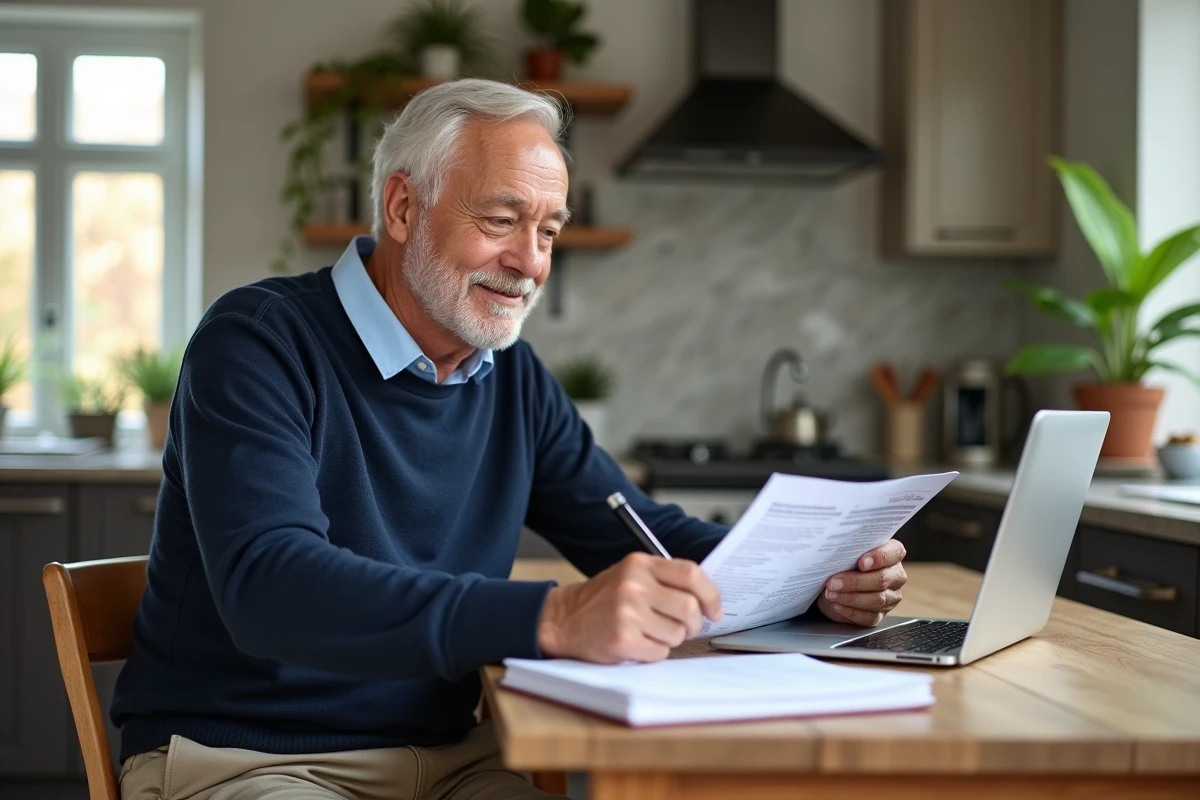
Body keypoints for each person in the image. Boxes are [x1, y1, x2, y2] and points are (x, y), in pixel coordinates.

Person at [114, 78, 909, 800]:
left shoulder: (512, 378)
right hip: (255, 760)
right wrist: (555, 617)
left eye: (550, 231)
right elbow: (270, 588)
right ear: (401, 209)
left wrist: (810, 577)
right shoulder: (258, 342)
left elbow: (639, 532)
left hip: (458, 758)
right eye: (500, 220)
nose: (529, 262)